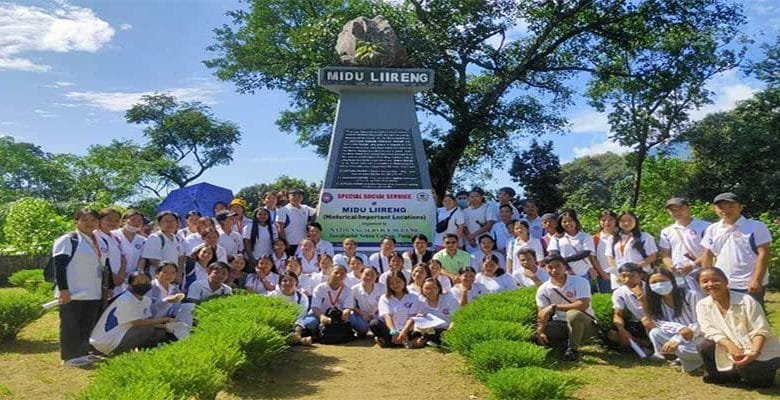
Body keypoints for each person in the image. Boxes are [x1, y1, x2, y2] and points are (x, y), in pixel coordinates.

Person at [696, 267, 780, 387]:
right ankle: (723, 375)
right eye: (705, 281)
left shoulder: (747, 301)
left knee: (757, 382)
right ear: (699, 285)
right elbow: (709, 330)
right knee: (705, 345)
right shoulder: (702, 305)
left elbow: (761, 330)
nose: (710, 284)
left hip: (759, 349)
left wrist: (754, 353)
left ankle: (754, 370)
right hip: (731, 348)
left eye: (715, 280)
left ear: (726, 282)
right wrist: (730, 346)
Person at [53, 208, 109, 366]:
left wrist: (108, 287)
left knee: (87, 323)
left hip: (93, 291)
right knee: (71, 324)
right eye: (84, 220)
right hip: (73, 292)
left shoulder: (100, 241)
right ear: (76, 222)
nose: (89, 224)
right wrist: (63, 289)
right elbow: (59, 266)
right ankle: (70, 357)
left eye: (93, 220)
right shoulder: (68, 240)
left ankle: (83, 353)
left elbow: (105, 266)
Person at [701, 192, 773, 307]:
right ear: (714, 209)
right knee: (726, 316)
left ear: (740, 207)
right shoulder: (712, 229)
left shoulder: (756, 226)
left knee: (753, 318)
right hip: (721, 283)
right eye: (721, 207)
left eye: (731, 206)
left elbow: (763, 253)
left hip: (748, 284)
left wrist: (757, 280)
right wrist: (705, 280)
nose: (726, 210)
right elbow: (707, 254)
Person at [90, 271, 175, 356]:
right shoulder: (126, 299)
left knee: (160, 332)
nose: (142, 284)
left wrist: (165, 326)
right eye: (138, 282)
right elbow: (137, 323)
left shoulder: (146, 300)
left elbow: (146, 320)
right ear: (130, 284)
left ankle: (142, 353)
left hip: (122, 334)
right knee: (146, 329)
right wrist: (165, 320)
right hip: (106, 340)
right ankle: (119, 354)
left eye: (146, 282)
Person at [535, 255, 599, 362]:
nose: (554, 270)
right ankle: (567, 342)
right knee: (540, 332)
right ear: (545, 269)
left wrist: (554, 307)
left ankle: (573, 350)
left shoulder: (580, 281)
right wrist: (540, 331)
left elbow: (583, 305)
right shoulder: (543, 289)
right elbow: (542, 313)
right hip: (561, 324)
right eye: (550, 267)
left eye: (558, 266)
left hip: (585, 324)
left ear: (565, 267)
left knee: (573, 314)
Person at [642, 268, 704, 372]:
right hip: (680, 336)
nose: (659, 284)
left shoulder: (690, 295)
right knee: (655, 333)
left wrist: (678, 338)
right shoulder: (658, 301)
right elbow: (658, 322)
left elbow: (700, 322)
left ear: (672, 281)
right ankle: (682, 359)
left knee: (683, 349)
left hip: (699, 336)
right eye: (654, 282)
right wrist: (680, 329)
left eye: (663, 281)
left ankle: (694, 361)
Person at [658, 198, 710, 292]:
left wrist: (693, 265)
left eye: (680, 208)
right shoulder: (666, 231)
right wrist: (671, 266)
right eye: (673, 210)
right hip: (679, 275)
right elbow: (665, 254)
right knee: (684, 303)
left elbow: (710, 251)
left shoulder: (706, 226)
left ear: (688, 208)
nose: (677, 212)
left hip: (702, 271)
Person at [548, 210, 608, 288]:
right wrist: (566, 267)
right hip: (565, 272)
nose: (568, 224)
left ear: (575, 221)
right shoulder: (556, 238)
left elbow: (585, 253)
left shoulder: (585, 236)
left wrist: (564, 260)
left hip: (583, 272)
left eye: (570, 221)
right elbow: (554, 253)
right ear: (560, 223)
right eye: (564, 222)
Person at [370, 271, 424, 348]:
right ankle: (402, 342)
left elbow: (412, 317)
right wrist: (393, 332)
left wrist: (404, 332)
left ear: (404, 281)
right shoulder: (384, 298)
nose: (395, 285)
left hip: (408, 330)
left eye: (398, 281)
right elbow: (387, 317)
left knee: (420, 332)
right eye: (392, 283)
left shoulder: (413, 297)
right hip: (391, 331)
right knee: (374, 323)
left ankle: (388, 342)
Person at [302, 265, 355, 342]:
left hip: (338, 315)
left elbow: (348, 307)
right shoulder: (319, 288)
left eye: (342, 274)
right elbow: (315, 308)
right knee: (310, 323)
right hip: (319, 313)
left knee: (359, 324)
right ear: (329, 273)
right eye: (336, 272)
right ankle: (314, 333)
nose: (339, 275)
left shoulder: (348, 290)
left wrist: (346, 312)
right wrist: (322, 317)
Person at [606, 263, 650, 352]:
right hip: (637, 323)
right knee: (612, 334)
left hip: (653, 319)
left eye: (632, 276)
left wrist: (641, 298)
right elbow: (618, 314)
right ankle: (642, 343)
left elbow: (654, 313)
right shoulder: (619, 292)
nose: (627, 280)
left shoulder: (650, 288)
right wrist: (621, 329)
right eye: (623, 276)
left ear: (640, 275)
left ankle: (646, 344)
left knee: (647, 321)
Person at [147, 262, 194, 338]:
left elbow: (175, 311)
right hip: (152, 322)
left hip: (168, 321)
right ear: (157, 273)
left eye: (173, 273)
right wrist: (165, 301)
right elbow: (147, 312)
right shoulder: (150, 287)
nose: (169, 275)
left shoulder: (175, 289)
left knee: (187, 307)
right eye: (165, 272)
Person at [269, 271, 312, 346]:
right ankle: (301, 341)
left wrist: (297, 333)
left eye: (291, 280)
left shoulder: (302, 297)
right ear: (279, 284)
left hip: (294, 323)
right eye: (284, 281)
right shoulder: (272, 296)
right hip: (277, 322)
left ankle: (294, 338)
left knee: (311, 322)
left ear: (296, 283)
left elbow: (300, 317)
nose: (288, 283)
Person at [139, 211, 184, 275]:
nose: (170, 223)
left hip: (173, 277)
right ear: (159, 223)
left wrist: (178, 274)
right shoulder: (155, 237)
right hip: (159, 277)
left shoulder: (176, 238)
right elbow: (153, 260)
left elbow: (180, 258)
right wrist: (169, 273)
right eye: (166, 221)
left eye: (172, 221)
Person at [418, 277, 459, 346]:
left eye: (433, 288)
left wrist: (449, 332)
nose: (430, 291)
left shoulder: (450, 300)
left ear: (439, 288)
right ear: (422, 289)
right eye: (426, 288)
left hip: (448, 330)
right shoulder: (420, 302)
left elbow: (456, 319)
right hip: (430, 331)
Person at [275, 188, 316, 256]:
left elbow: (317, 211)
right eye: (293, 195)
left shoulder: (306, 208)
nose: (297, 198)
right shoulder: (283, 210)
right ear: (289, 197)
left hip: (303, 243)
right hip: (290, 243)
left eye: (299, 196)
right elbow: (280, 228)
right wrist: (285, 242)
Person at [95, 208, 126, 293]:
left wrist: (121, 275)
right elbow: (97, 261)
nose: (113, 223)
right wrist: (111, 278)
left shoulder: (116, 238)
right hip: (102, 281)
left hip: (118, 283)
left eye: (116, 220)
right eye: (109, 220)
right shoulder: (94, 236)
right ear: (100, 220)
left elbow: (123, 257)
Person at [112, 209, 146, 284]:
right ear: (124, 221)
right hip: (113, 277)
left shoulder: (143, 240)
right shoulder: (113, 235)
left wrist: (137, 275)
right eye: (133, 220)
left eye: (139, 221)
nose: (136, 223)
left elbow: (142, 259)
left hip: (132, 280)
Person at [349, 266, 385, 337]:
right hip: (360, 314)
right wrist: (362, 313)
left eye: (372, 275)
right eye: (366, 274)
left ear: (377, 276)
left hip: (378, 314)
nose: (369, 277)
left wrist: (375, 312)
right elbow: (351, 305)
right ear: (361, 274)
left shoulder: (382, 288)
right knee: (362, 327)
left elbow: (386, 303)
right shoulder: (354, 289)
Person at [462, 187, 497, 252]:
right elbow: (464, 227)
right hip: (470, 243)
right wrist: (470, 239)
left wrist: (473, 235)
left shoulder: (488, 207)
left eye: (477, 196)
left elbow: (489, 224)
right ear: (469, 198)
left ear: (481, 197)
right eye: (472, 196)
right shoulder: (465, 211)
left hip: (486, 242)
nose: (474, 198)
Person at [593, 210, 618, 292]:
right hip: (604, 276)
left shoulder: (623, 236)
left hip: (623, 274)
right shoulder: (595, 238)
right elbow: (593, 258)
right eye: (603, 220)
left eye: (610, 219)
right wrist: (602, 273)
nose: (607, 222)